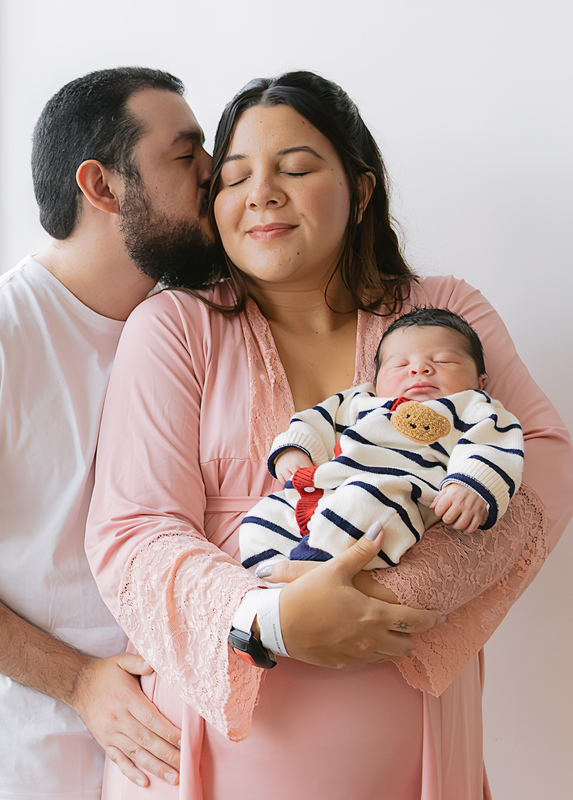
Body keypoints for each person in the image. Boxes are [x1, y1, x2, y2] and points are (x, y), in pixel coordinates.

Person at [84, 71, 573, 799]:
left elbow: (545, 464)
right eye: (236, 175)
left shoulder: (444, 313)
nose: (262, 193)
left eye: (297, 167)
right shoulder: (174, 327)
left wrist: (387, 597)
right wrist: (275, 620)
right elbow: (134, 531)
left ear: (362, 187)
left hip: (418, 754)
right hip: (206, 751)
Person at [0, 67, 223, 800]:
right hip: (9, 760)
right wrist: (81, 682)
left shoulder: (189, 325)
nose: (216, 180)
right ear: (101, 186)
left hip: (149, 753)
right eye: (187, 158)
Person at [239, 308, 524, 573]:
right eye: (400, 364)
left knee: (366, 500)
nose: (419, 369)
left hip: (398, 495)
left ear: (480, 381)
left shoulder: (472, 406)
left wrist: (469, 486)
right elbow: (313, 420)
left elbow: (492, 446)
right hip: (327, 492)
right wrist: (293, 448)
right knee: (259, 520)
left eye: (442, 360)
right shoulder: (360, 401)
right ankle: (270, 583)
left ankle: (312, 572)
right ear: (376, 381)